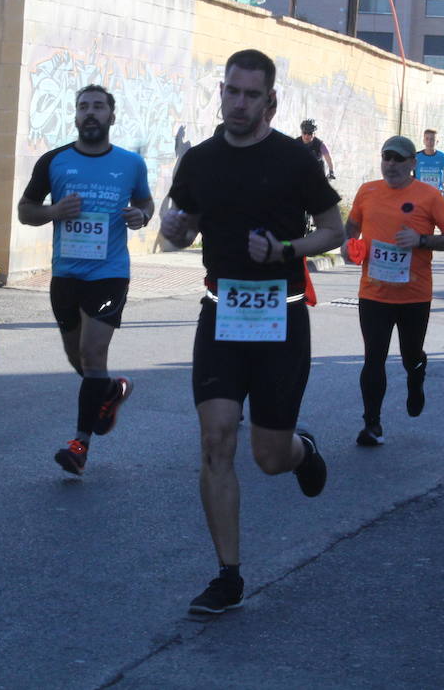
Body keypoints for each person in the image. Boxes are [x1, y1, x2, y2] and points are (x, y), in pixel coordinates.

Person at [161, 49, 343, 615]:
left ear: (271, 101)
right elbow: (179, 233)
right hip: (221, 313)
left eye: (251, 95)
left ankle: (300, 450)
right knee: (216, 438)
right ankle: (228, 576)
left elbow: (335, 229)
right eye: (231, 92)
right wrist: (173, 229)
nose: (239, 103)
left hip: (281, 315)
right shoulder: (199, 161)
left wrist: (287, 249)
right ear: (221, 91)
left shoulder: (294, 160)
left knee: (268, 455)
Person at [17, 84, 153, 475]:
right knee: (78, 359)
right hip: (66, 274)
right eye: (83, 107)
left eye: (98, 107)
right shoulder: (54, 161)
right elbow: (26, 211)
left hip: (109, 273)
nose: (90, 113)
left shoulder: (130, 163)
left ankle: (79, 445)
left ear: (112, 116)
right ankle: (109, 391)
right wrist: (55, 210)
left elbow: (145, 202)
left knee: (94, 354)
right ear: (75, 117)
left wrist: (141, 216)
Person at [342, 136, 444, 445]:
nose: (390, 163)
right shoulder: (367, 191)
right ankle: (371, 425)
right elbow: (352, 226)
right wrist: (348, 243)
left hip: (414, 295)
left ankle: (416, 375)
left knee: (410, 356)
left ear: (412, 164)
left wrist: (421, 241)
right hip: (373, 293)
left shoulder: (429, 196)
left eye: (398, 158)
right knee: (373, 358)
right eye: (386, 157)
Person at [414, 129, 444, 203]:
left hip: (436, 192)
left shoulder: (443, 157)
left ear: (437, 142)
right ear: (423, 141)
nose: (429, 142)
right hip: (420, 192)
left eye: (432, 139)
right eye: (427, 139)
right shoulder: (416, 156)